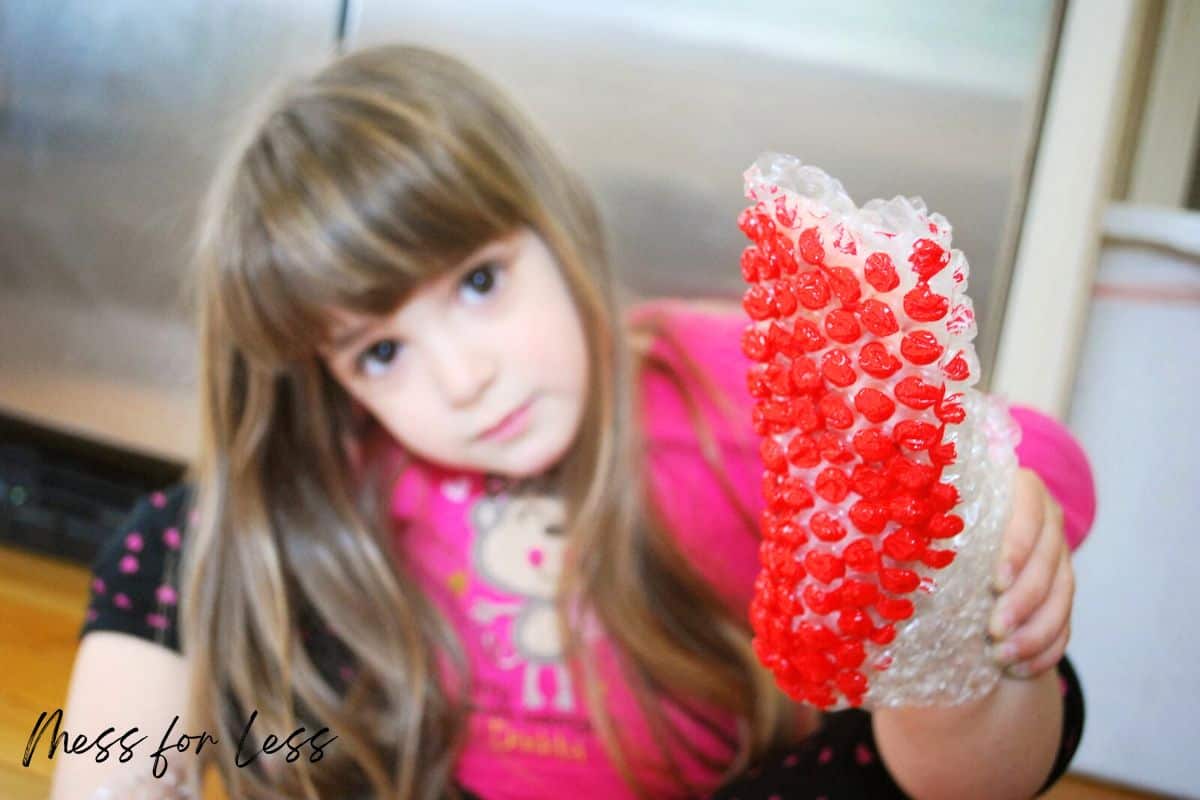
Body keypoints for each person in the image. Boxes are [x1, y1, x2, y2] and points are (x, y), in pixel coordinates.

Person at [52, 44, 1095, 800]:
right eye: (381, 350)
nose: (463, 378)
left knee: (969, 631)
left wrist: (1010, 503)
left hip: (748, 774)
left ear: (551, 226)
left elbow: (979, 432)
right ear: (336, 381)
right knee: (183, 537)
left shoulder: (711, 378)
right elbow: (196, 560)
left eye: (479, 282)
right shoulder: (367, 466)